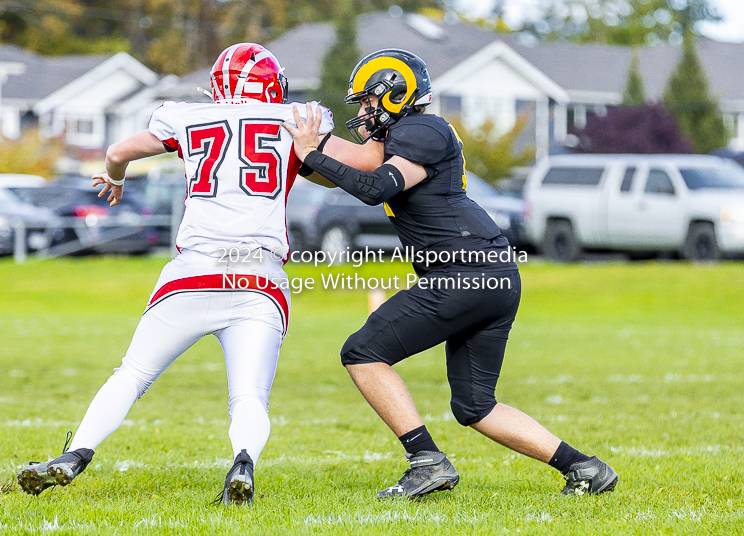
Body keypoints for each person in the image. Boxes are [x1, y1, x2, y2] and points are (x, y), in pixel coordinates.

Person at [16, 43, 344, 506]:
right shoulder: (297, 118)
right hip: (259, 276)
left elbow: (116, 151)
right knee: (248, 396)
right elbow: (332, 171)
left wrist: (115, 176)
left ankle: (75, 455)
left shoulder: (187, 117)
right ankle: (244, 461)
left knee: (131, 374)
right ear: (272, 84)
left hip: (192, 270)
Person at [283, 48, 618, 499]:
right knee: (475, 405)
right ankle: (584, 468)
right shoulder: (407, 133)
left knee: (362, 352)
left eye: (367, 101)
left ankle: (426, 461)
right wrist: (301, 148)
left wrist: (312, 152)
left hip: (463, 272)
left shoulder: (423, 128)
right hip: (490, 274)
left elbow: (375, 187)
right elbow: (350, 167)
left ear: (394, 95)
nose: (362, 112)